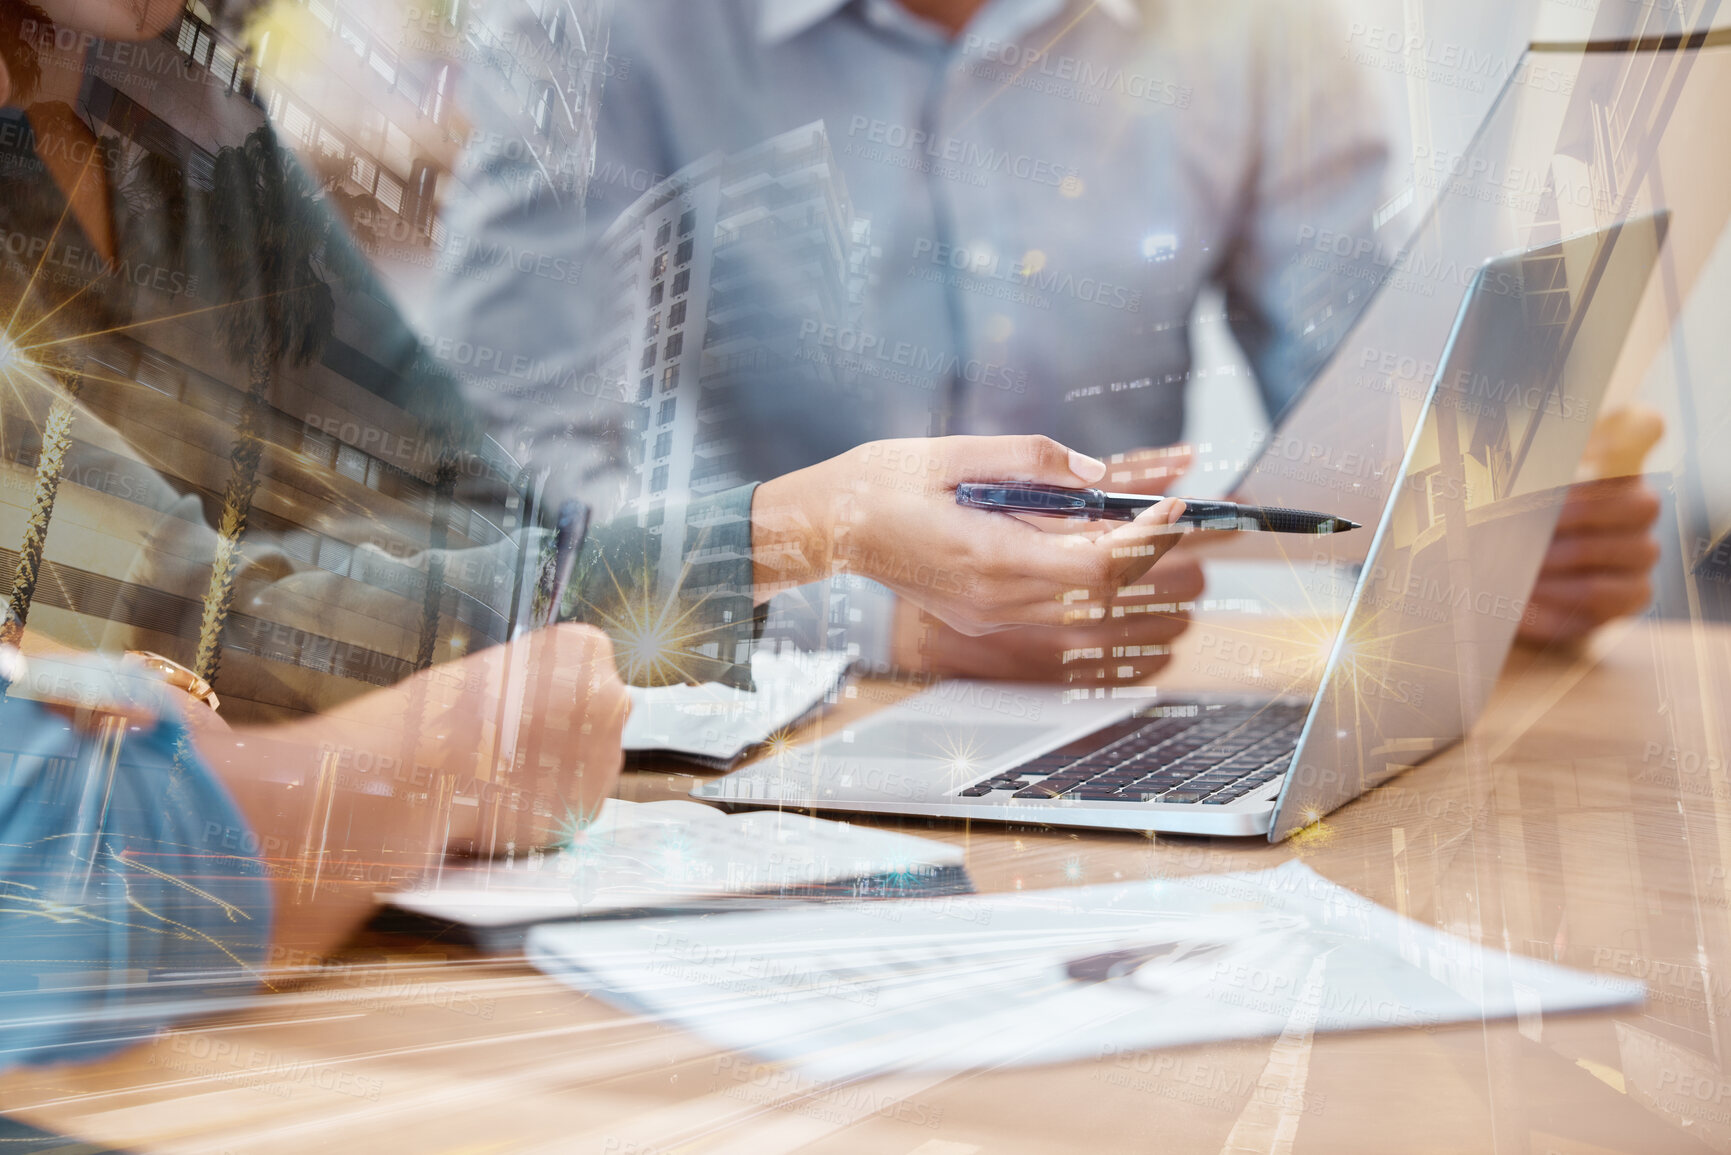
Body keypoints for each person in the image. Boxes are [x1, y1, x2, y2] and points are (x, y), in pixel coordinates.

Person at [0, 0, 1191, 1070]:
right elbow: (205, 615)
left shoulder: (171, 82)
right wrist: (803, 533)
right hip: (166, 969)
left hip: (340, 932)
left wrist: (834, 548)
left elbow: (468, 505)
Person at [434, 0, 1665, 686]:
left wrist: (1473, 530)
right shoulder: (592, 29)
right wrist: (873, 617)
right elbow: (489, 525)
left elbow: (1369, 421)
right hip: (740, 730)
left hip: (1119, 714)